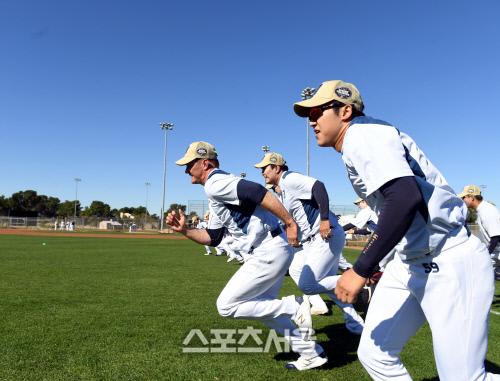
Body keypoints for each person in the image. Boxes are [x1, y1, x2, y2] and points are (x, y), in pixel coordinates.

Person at [293, 79, 497, 380]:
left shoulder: (362, 135)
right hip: (411, 261)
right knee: (375, 354)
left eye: (318, 111)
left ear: (345, 111)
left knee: (464, 377)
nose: (312, 121)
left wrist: (361, 268)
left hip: (450, 258)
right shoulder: (358, 140)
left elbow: (404, 197)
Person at [167, 141, 327, 371]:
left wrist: (290, 222)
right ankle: (311, 353)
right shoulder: (215, 189)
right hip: (270, 248)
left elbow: (256, 191)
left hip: (267, 250)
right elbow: (213, 237)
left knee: (226, 306)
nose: (185, 170)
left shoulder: (214, 183)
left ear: (204, 163)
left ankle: (295, 306)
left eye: (189, 164)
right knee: (265, 311)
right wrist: (185, 230)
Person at [255, 152, 364, 333]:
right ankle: (355, 322)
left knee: (308, 284)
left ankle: (358, 280)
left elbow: (318, 186)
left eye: (264, 168)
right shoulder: (283, 189)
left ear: (276, 167)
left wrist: (324, 219)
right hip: (313, 240)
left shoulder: (289, 178)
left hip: (325, 235)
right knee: (300, 270)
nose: (262, 173)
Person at [459, 184, 500, 281]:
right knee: (483, 277)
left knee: (480, 275)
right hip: (496, 251)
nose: (463, 200)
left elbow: (496, 236)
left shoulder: (486, 210)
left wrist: (486, 254)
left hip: (497, 251)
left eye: (464, 197)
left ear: (471, 197)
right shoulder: (482, 209)